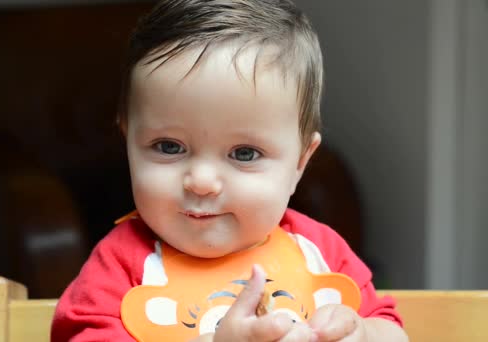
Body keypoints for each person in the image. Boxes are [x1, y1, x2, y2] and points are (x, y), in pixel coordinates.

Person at [51, 0, 408, 341]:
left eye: (244, 153)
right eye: (169, 147)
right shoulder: (120, 266)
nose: (202, 182)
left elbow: (389, 327)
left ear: (301, 162)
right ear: (128, 141)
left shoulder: (320, 251)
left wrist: (361, 333)